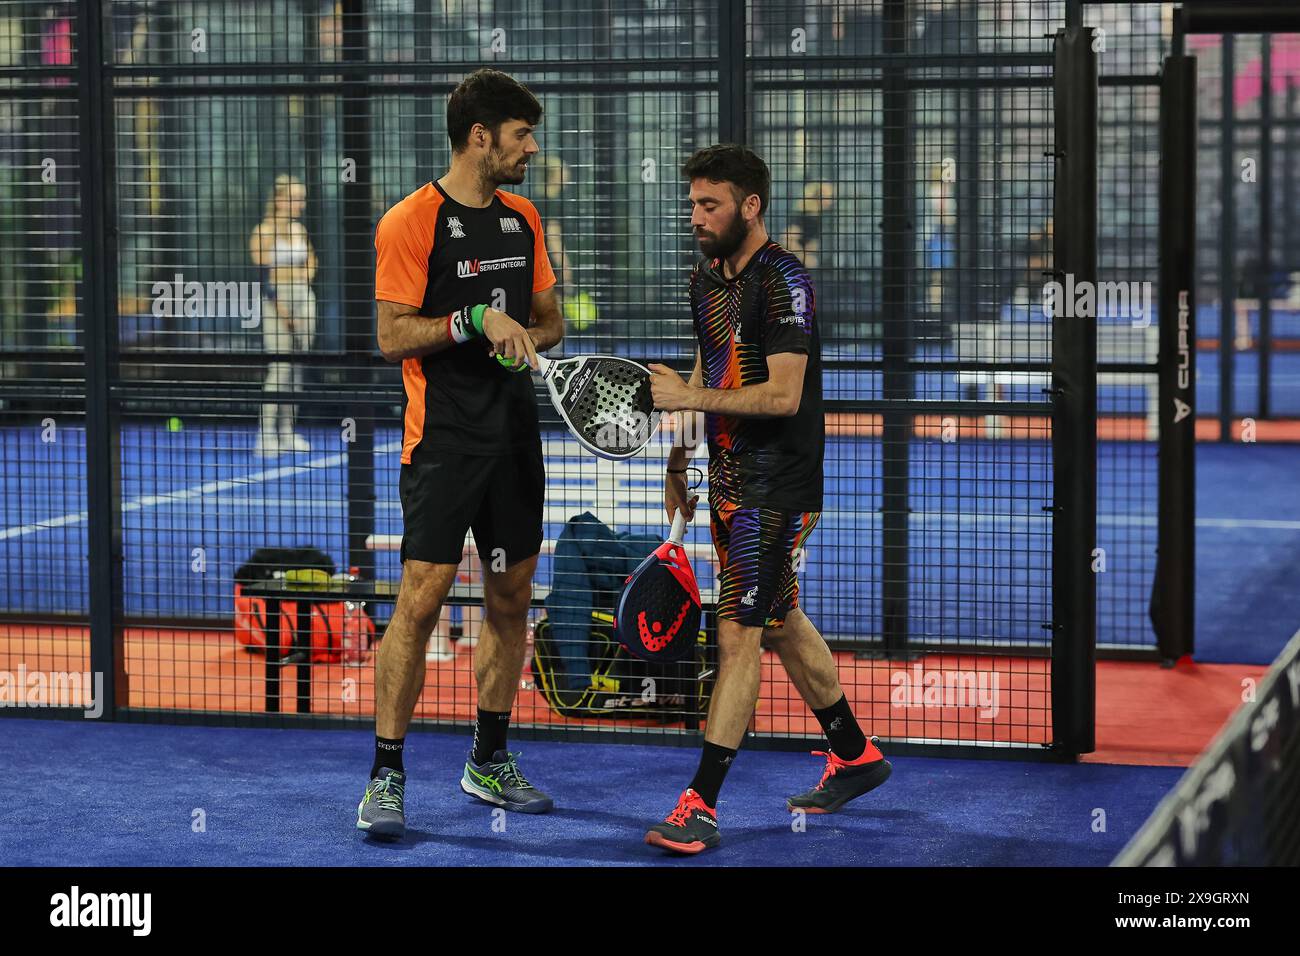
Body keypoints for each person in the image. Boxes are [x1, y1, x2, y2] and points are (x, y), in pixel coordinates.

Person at [645, 145, 891, 855]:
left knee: (739, 634)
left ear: (751, 206)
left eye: (709, 204)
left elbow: (782, 396)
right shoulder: (704, 277)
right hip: (726, 476)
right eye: (692, 203)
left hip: (777, 484)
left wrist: (689, 398)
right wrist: (680, 453)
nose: (695, 216)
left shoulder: (785, 282)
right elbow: (707, 364)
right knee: (779, 619)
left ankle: (700, 804)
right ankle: (856, 753)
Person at [358, 69, 564, 840]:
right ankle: (385, 774)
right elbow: (391, 335)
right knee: (419, 603)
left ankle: (489, 758)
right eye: (520, 136)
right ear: (481, 137)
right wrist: (472, 319)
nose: (530, 149)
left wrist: (523, 336)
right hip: (441, 441)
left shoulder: (523, 221)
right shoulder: (410, 220)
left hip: (514, 437)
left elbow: (551, 324)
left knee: (511, 600)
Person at [249, 174, 318, 458]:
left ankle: (287, 432)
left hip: (304, 298)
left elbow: (312, 263)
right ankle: (265, 436)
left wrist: (299, 278)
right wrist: (285, 311)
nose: (300, 204)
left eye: (302, 198)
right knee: (279, 368)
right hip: (277, 304)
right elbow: (266, 278)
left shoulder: (300, 231)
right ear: (279, 200)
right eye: (294, 198)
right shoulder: (263, 232)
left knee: (297, 368)